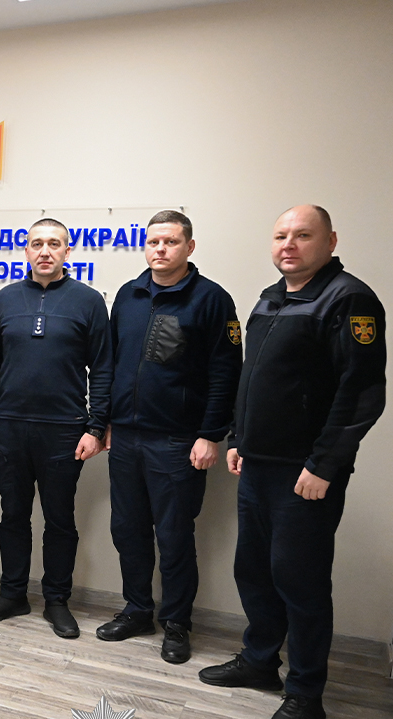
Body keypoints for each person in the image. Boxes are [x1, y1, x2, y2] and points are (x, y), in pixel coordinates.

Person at [198, 205, 385, 719]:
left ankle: (305, 694)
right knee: (254, 572)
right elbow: (253, 379)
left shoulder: (348, 299)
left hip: (304, 475)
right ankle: (260, 661)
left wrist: (324, 464)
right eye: (281, 235)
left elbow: (361, 393)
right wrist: (238, 438)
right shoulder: (271, 298)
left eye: (303, 235)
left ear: (330, 240)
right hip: (257, 465)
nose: (289, 244)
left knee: (300, 583)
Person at [99, 211, 242, 664]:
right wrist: (105, 421)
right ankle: (137, 610)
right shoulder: (129, 294)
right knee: (128, 530)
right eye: (153, 242)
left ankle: (177, 622)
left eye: (171, 242)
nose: (160, 249)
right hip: (125, 438)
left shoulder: (211, 299)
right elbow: (112, 363)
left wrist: (211, 435)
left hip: (178, 441)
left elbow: (226, 374)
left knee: (175, 536)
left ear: (189, 247)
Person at [0, 218, 112, 638]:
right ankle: (13, 594)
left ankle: (56, 600)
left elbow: (103, 368)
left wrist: (96, 426)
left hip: (64, 430)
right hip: (9, 427)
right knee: (12, 515)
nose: (45, 251)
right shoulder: (6, 298)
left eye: (54, 244)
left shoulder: (88, 301)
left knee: (60, 520)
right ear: (26, 251)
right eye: (37, 244)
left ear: (67, 251)